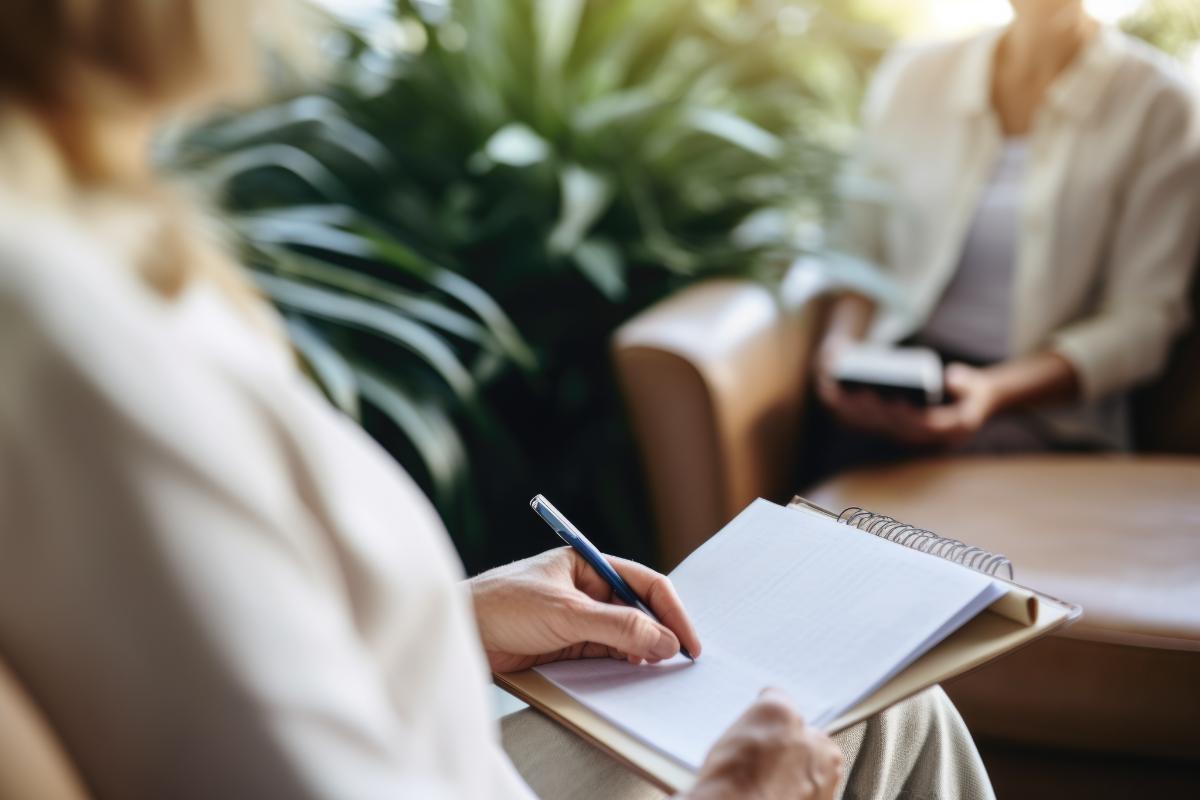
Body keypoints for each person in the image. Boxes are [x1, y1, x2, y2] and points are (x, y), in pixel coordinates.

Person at [0, 2, 994, 798]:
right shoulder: (51, 331)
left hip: (440, 749)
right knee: (852, 719)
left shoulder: (74, 243)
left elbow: (194, 665)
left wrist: (452, 619)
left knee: (892, 706)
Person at [812, 0, 1200, 476]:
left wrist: (992, 392)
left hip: (1044, 414)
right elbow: (858, 248)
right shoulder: (914, 75)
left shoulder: (1161, 103)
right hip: (896, 381)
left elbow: (1144, 321)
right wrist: (839, 353)